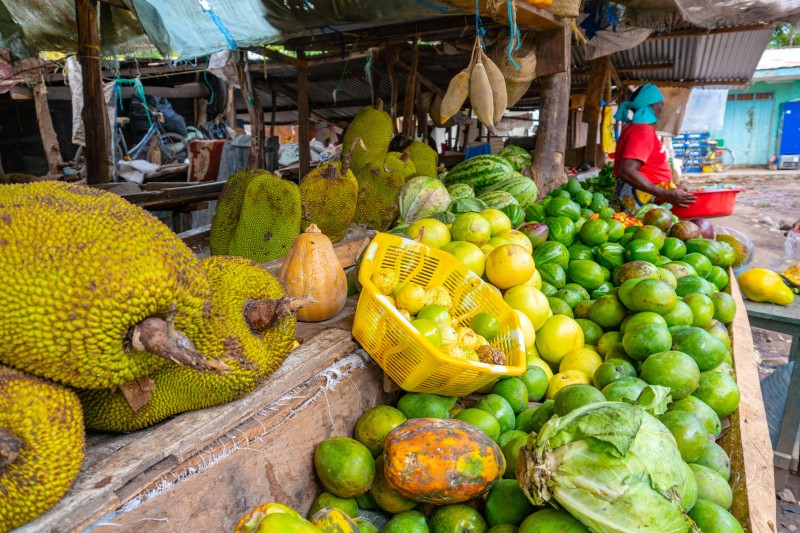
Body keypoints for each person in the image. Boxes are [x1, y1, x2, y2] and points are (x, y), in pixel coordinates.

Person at [613, 84, 697, 214]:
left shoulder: (636, 128)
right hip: (637, 197)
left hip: (644, 194)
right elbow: (627, 170)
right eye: (661, 104)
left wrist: (670, 187)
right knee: (640, 232)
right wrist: (664, 193)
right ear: (651, 105)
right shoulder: (642, 129)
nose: (663, 108)